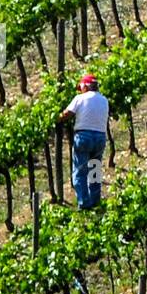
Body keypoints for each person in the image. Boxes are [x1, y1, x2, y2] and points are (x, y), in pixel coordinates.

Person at [60, 74, 109, 210]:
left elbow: (67, 113)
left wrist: (57, 119)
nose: (79, 90)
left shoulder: (80, 98)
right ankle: (95, 201)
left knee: (80, 171)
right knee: (95, 169)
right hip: (100, 137)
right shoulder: (104, 100)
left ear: (86, 86)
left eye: (80, 87)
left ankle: (84, 203)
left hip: (83, 137)